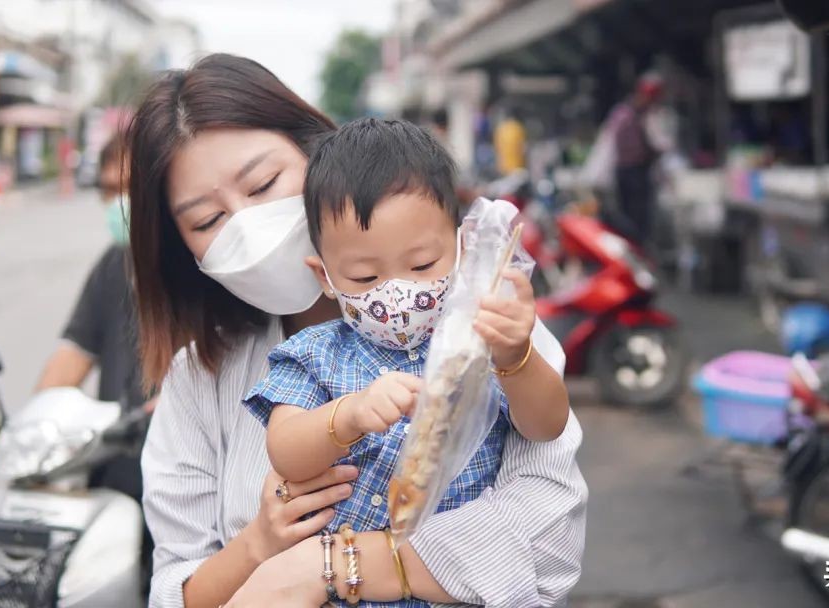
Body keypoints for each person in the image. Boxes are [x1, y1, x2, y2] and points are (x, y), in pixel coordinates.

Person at [128, 54, 586, 608]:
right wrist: (257, 545)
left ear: (315, 152)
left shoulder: (486, 325)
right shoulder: (203, 376)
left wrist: (325, 567)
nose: (247, 227)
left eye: (265, 183)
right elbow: (174, 590)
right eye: (206, 221)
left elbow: (548, 541)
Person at [242, 120, 570, 607]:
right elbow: (286, 451)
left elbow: (546, 425)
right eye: (364, 274)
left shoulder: (476, 342)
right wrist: (348, 416)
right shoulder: (315, 353)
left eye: (421, 266)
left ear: (461, 249)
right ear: (325, 277)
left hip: (451, 589)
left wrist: (515, 356)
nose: (397, 291)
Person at [35, 130, 156, 579]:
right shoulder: (113, 264)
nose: (118, 202)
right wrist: (22, 431)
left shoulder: (197, 271)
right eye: (108, 189)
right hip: (111, 480)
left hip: (175, 492)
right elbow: (72, 358)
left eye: (130, 188)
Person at [601, 74, 666, 246]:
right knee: (633, 220)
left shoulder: (636, 114)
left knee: (640, 220)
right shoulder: (627, 115)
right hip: (631, 172)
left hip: (636, 171)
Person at [493, 105, 527, 176]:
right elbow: (523, 149)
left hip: (503, 167)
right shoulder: (518, 128)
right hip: (517, 167)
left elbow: (497, 150)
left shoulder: (501, 129)